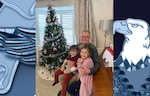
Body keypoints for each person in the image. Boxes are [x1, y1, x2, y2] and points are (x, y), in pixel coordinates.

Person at [67, 30, 100, 96]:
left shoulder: (93, 48)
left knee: (70, 85)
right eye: (83, 36)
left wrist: (90, 71)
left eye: (86, 37)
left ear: (89, 38)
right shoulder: (78, 45)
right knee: (63, 77)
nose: (84, 38)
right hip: (75, 67)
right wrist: (68, 60)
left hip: (83, 71)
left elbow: (97, 63)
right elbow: (71, 53)